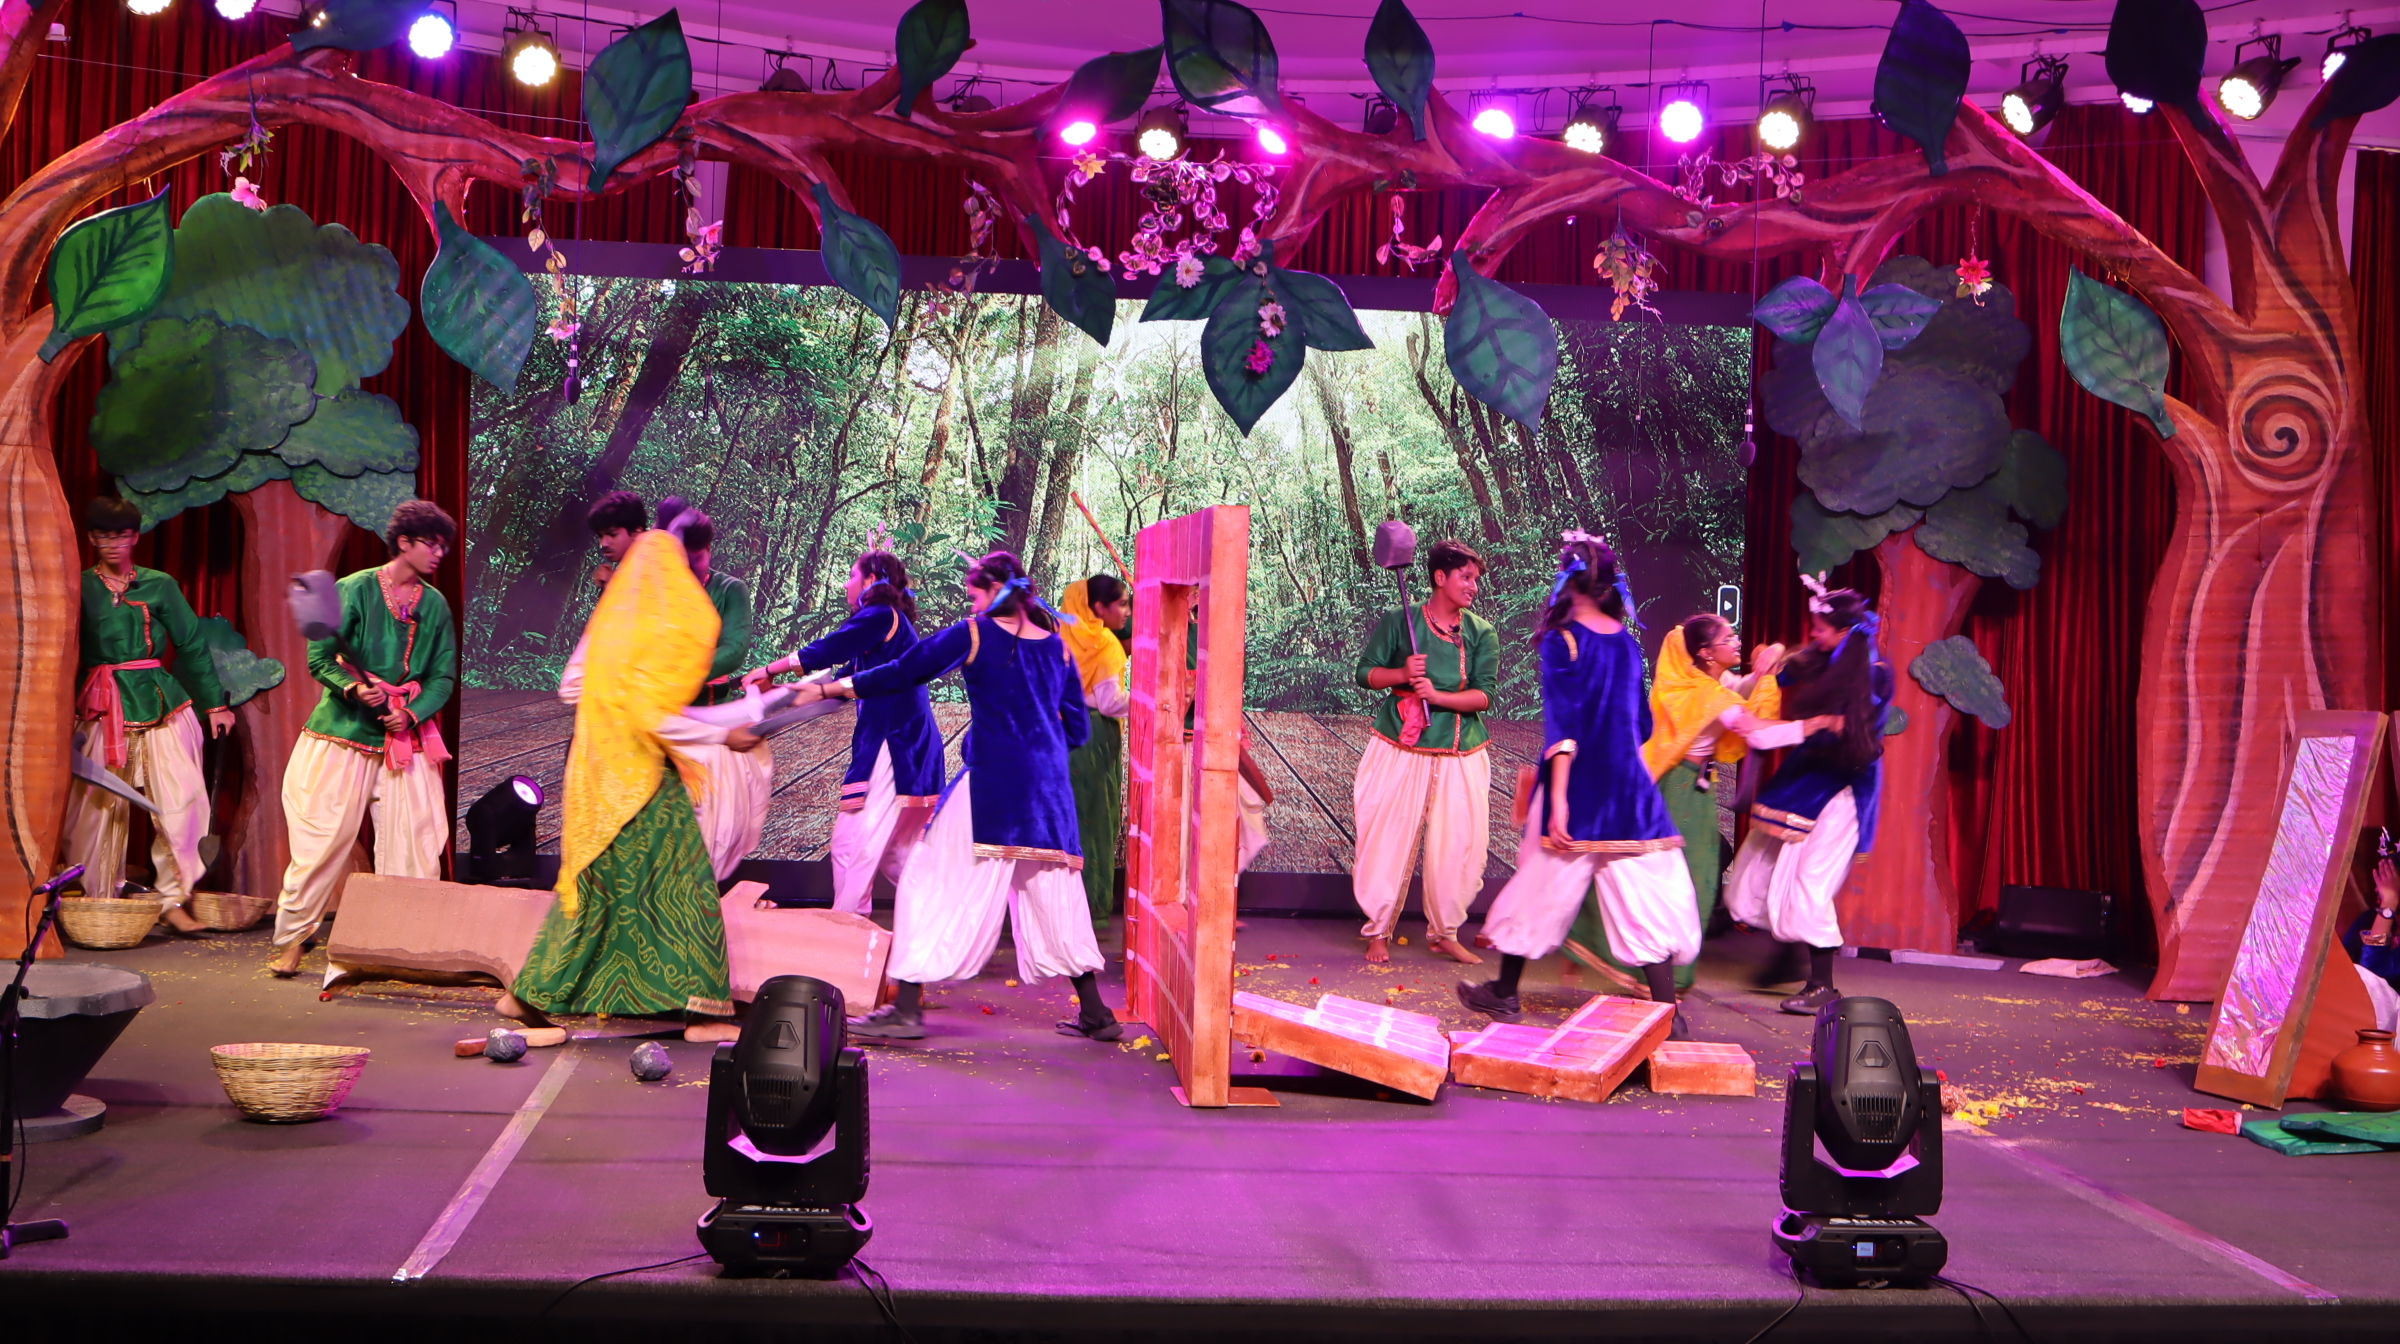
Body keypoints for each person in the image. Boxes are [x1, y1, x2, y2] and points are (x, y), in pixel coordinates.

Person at [796, 552, 1119, 1043]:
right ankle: (1096, 1012)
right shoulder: (1058, 649)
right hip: (1051, 795)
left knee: (926, 880)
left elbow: (904, 671)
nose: (973, 604)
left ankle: (906, 1010)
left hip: (992, 788)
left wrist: (831, 689)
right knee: (1058, 900)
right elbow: (1076, 729)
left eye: (974, 595)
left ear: (992, 592)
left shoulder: (975, 634)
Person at [1456, 536, 1711, 1038]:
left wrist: (1558, 802)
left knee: (1539, 888)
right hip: (1630, 792)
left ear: (1569, 583)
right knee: (1642, 897)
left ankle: (1505, 992)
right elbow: (1641, 725)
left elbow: (1564, 728)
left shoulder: (1564, 640)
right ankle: (1668, 1014)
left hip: (1580, 789)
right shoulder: (1625, 641)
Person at [501, 529, 748, 1042]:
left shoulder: (610, 626)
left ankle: (526, 993)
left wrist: (607, 705)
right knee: (687, 889)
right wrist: (723, 733)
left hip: (597, 775)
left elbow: (572, 687)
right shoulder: (653, 636)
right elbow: (651, 714)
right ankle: (704, 1015)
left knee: (597, 888)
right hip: (643, 781)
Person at [268, 501, 457, 976]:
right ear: (404, 542)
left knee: (416, 844)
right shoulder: (354, 589)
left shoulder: (435, 605)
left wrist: (410, 714)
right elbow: (320, 658)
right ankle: (293, 938)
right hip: (344, 732)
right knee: (321, 841)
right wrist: (353, 689)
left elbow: (442, 677)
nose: (439, 553)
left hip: (404, 741)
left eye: (444, 546)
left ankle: (402, 945)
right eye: (432, 544)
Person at [1566, 613, 1787, 992]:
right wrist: (1810, 724)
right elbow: (1756, 731)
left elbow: (1744, 685)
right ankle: (1651, 976)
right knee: (1672, 881)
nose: (1737, 642)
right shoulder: (1705, 692)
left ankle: (1665, 980)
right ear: (1705, 652)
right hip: (1677, 790)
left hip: (1696, 790)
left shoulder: (1713, 682)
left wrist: (1771, 659)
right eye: (1728, 638)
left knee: (1695, 879)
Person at [60, 496, 233, 933]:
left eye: (120, 535)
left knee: (182, 800)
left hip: (160, 701)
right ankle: (96, 904)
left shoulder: (160, 584)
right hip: (100, 705)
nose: (111, 543)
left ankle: (174, 900)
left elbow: (191, 643)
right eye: (102, 535)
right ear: (90, 538)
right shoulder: (77, 585)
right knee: (95, 809)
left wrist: (215, 704)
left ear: (135, 537)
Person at [1724, 579, 1894, 1015]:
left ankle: (1823, 986)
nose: (1814, 634)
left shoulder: (1873, 675)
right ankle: (1789, 952)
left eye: (1820, 628)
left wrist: (1764, 732)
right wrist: (1774, 652)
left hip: (1842, 791)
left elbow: (1833, 729)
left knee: (1810, 882)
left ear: (1843, 631)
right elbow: (1782, 670)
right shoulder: (1826, 657)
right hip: (1807, 781)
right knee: (1763, 869)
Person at [747, 549, 945, 915]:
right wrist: (773, 703)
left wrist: (772, 669)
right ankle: (941, 917)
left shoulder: (883, 615)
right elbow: (833, 688)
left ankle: (848, 928)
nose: (845, 585)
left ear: (870, 580)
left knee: (859, 846)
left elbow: (831, 649)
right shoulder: (878, 636)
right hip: (889, 743)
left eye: (852, 576)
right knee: (879, 851)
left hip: (898, 743)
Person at [1351, 538, 1497, 965]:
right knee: (1387, 836)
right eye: (1465, 577)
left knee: (1460, 844)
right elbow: (1365, 674)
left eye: (1476, 579)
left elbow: (1484, 696)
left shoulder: (1481, 632)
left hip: (1460, 749)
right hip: (1403, 742)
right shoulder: (1401, 621)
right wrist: (1400, 673)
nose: (1473, 586)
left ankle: (1445, 932)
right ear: (1440, 577)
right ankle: (1378, 929)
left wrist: (1438, 696)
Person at [661, 507, 769, 879]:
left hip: (712, 718)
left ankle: (700, 892)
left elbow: (734, 649)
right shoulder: (658, 591)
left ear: (709, 550)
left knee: (715, 825)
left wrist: (676, 673)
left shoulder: (729, 590)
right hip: (663, 722)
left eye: (697, 559)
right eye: (682, 560)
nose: (689, 569)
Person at [1061, 574, 1132, 929]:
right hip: (1095, 738)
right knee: (1097, 820)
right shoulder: (1105, 643)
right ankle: (1091, 910)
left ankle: (1060, 910)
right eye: (1122, 604)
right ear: (1099, 608)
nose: (1127, 612)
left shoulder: (1060, 637)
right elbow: (1110, 702)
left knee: (1069, 819)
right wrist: (1151, 697)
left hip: (1063, 736)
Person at [587, 489, 647, 588]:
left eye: (612, 534)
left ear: (636, 532)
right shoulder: (626, 572)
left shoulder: (656, 564)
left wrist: (615, 586)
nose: (603, 543)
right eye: (601, 536)